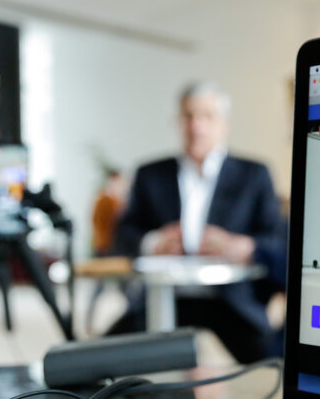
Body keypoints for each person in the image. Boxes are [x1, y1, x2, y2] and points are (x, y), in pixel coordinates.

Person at [113, 82, 285, 363]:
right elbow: (123, 233)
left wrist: (243, 246)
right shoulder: (150, 174)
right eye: (189, 116)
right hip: (162, 296)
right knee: (99, 360)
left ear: (223, 124)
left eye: (207, 116)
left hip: (229, 301)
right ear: (178, 122)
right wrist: (152, 242)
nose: (197, 126)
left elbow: (278, 240)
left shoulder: (253, 174)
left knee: (277, 365)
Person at [85, 169, 128, 334]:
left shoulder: (116, 201)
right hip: (104, 249)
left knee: (126, 288)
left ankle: (131, 317)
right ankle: (89, 323)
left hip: (115, 249)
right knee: (98, 288)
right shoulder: (104, 200)